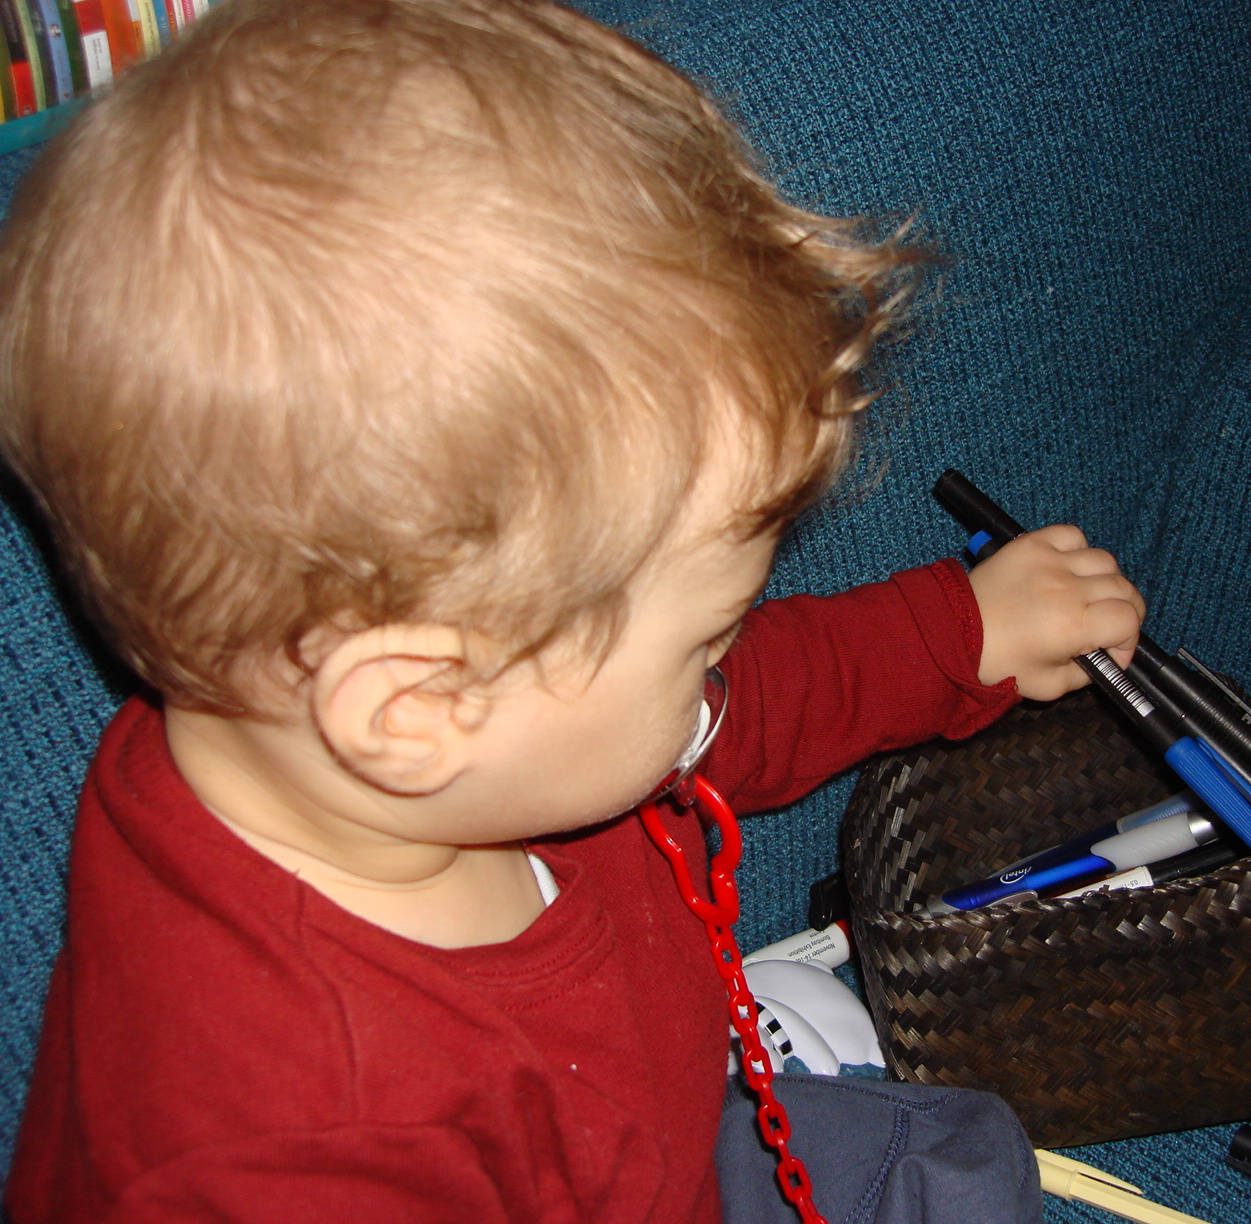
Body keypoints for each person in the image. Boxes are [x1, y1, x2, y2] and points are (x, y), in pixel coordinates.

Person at [0, 1, 1144, 1219]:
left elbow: (730, 715)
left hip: (665, 1129)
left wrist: (958, 635)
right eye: (701, 642)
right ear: (418, 708)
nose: (716, 675)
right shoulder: (282, 1159)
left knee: (967, 1158)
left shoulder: (455, 721)